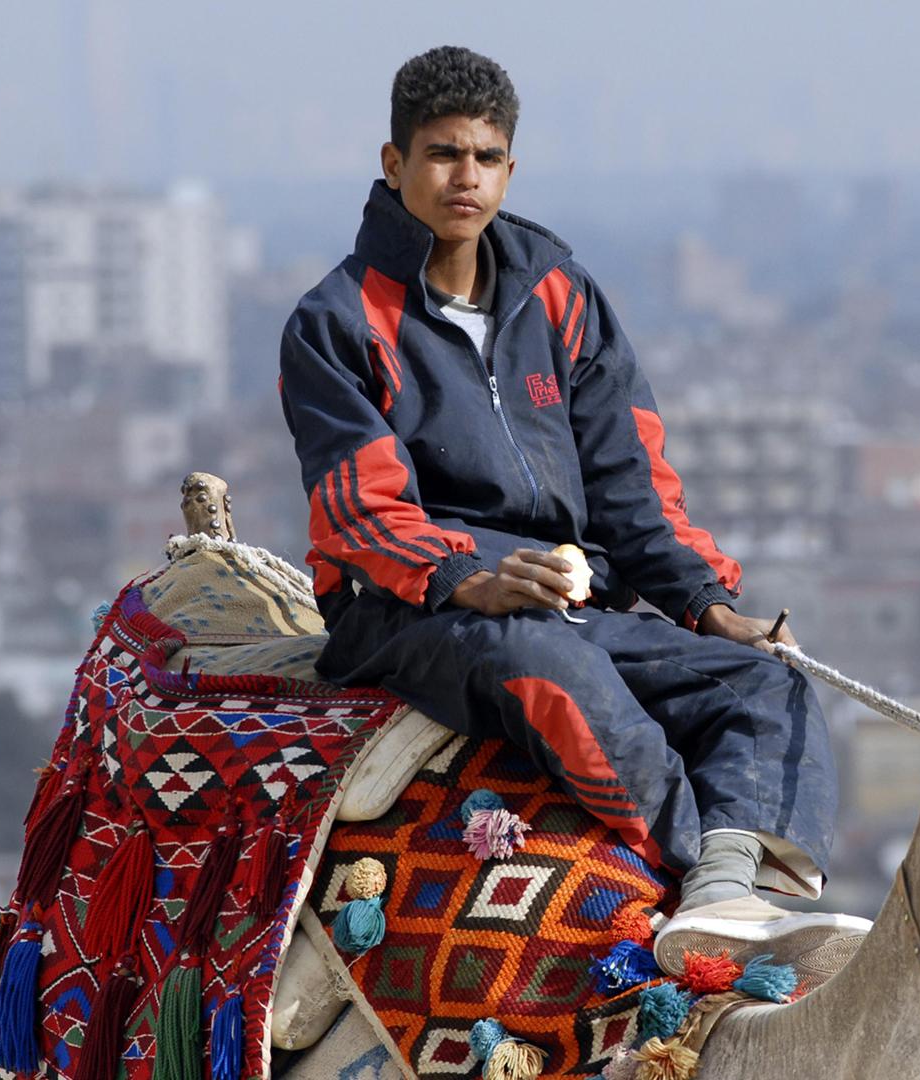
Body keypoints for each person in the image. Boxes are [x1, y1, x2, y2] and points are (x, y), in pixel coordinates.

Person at [277, 46, 868, 983]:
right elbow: (361, 510)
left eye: (484, 157)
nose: (463, 177)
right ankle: (695, 878)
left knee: (768, 686)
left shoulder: (558, 292)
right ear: (394, 167)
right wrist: (470, 578)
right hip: (409, 610)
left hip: (564, 591)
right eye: (441, 154)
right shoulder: (339, 320)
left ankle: (734, 886)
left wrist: (709, 607)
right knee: (556, 674)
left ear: (510, 169)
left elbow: (631, 481)